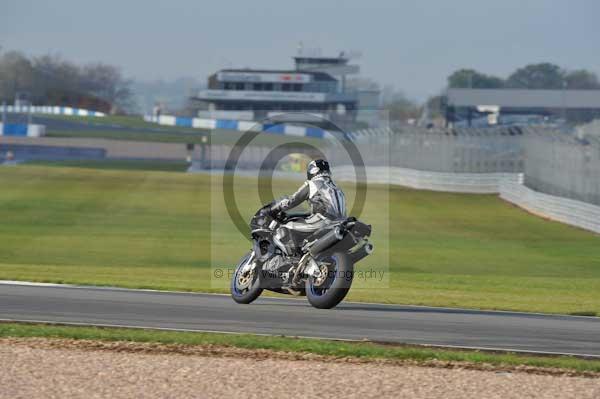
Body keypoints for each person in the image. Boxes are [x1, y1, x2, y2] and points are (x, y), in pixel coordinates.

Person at [269, 159, 346, 232]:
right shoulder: (336, 186)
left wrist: (274, 209)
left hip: (324, 221)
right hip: (341, 222)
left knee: (287, 226)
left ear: (313, 171)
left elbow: (292, 201)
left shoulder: (312, 184)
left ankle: (294, 246)